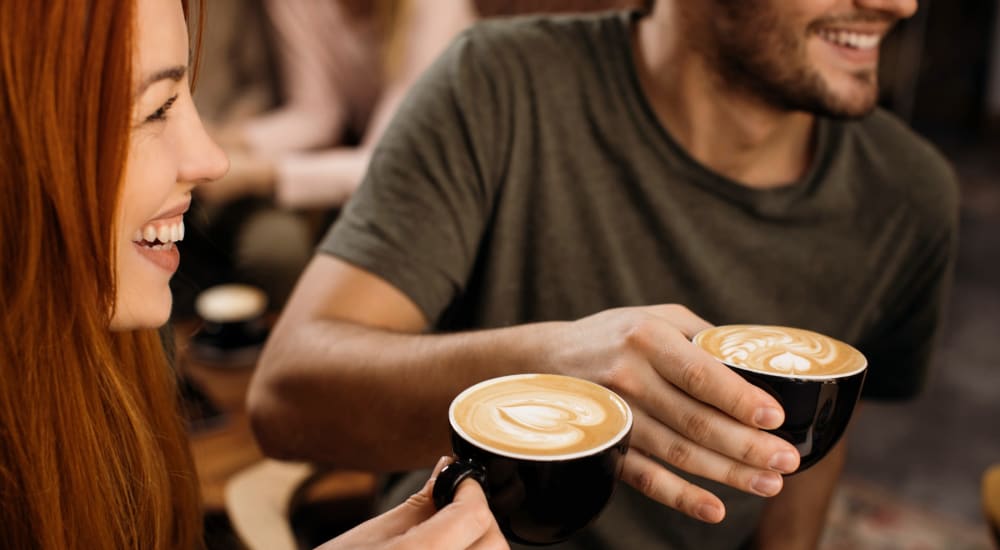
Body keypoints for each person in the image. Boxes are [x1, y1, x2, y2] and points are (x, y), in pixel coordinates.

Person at [248, 0, 959, 548]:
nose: (901, 5)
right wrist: (548, 363)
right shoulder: (496, 85)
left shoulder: (908, 194)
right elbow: (284, 401)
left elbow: (807, 450)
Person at [0, 1, 506, 549]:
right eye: (155, 110)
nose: (209, 159)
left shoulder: (96, 393)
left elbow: (384, 157)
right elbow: (316, 116)